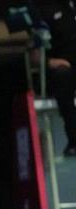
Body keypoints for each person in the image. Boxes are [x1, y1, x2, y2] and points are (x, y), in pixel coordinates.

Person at [36, 0, 76, 155]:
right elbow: (34, 54)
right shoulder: (44, 9)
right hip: (62, 69)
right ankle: (74, 139)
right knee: (63, 75)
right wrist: (49, 62)